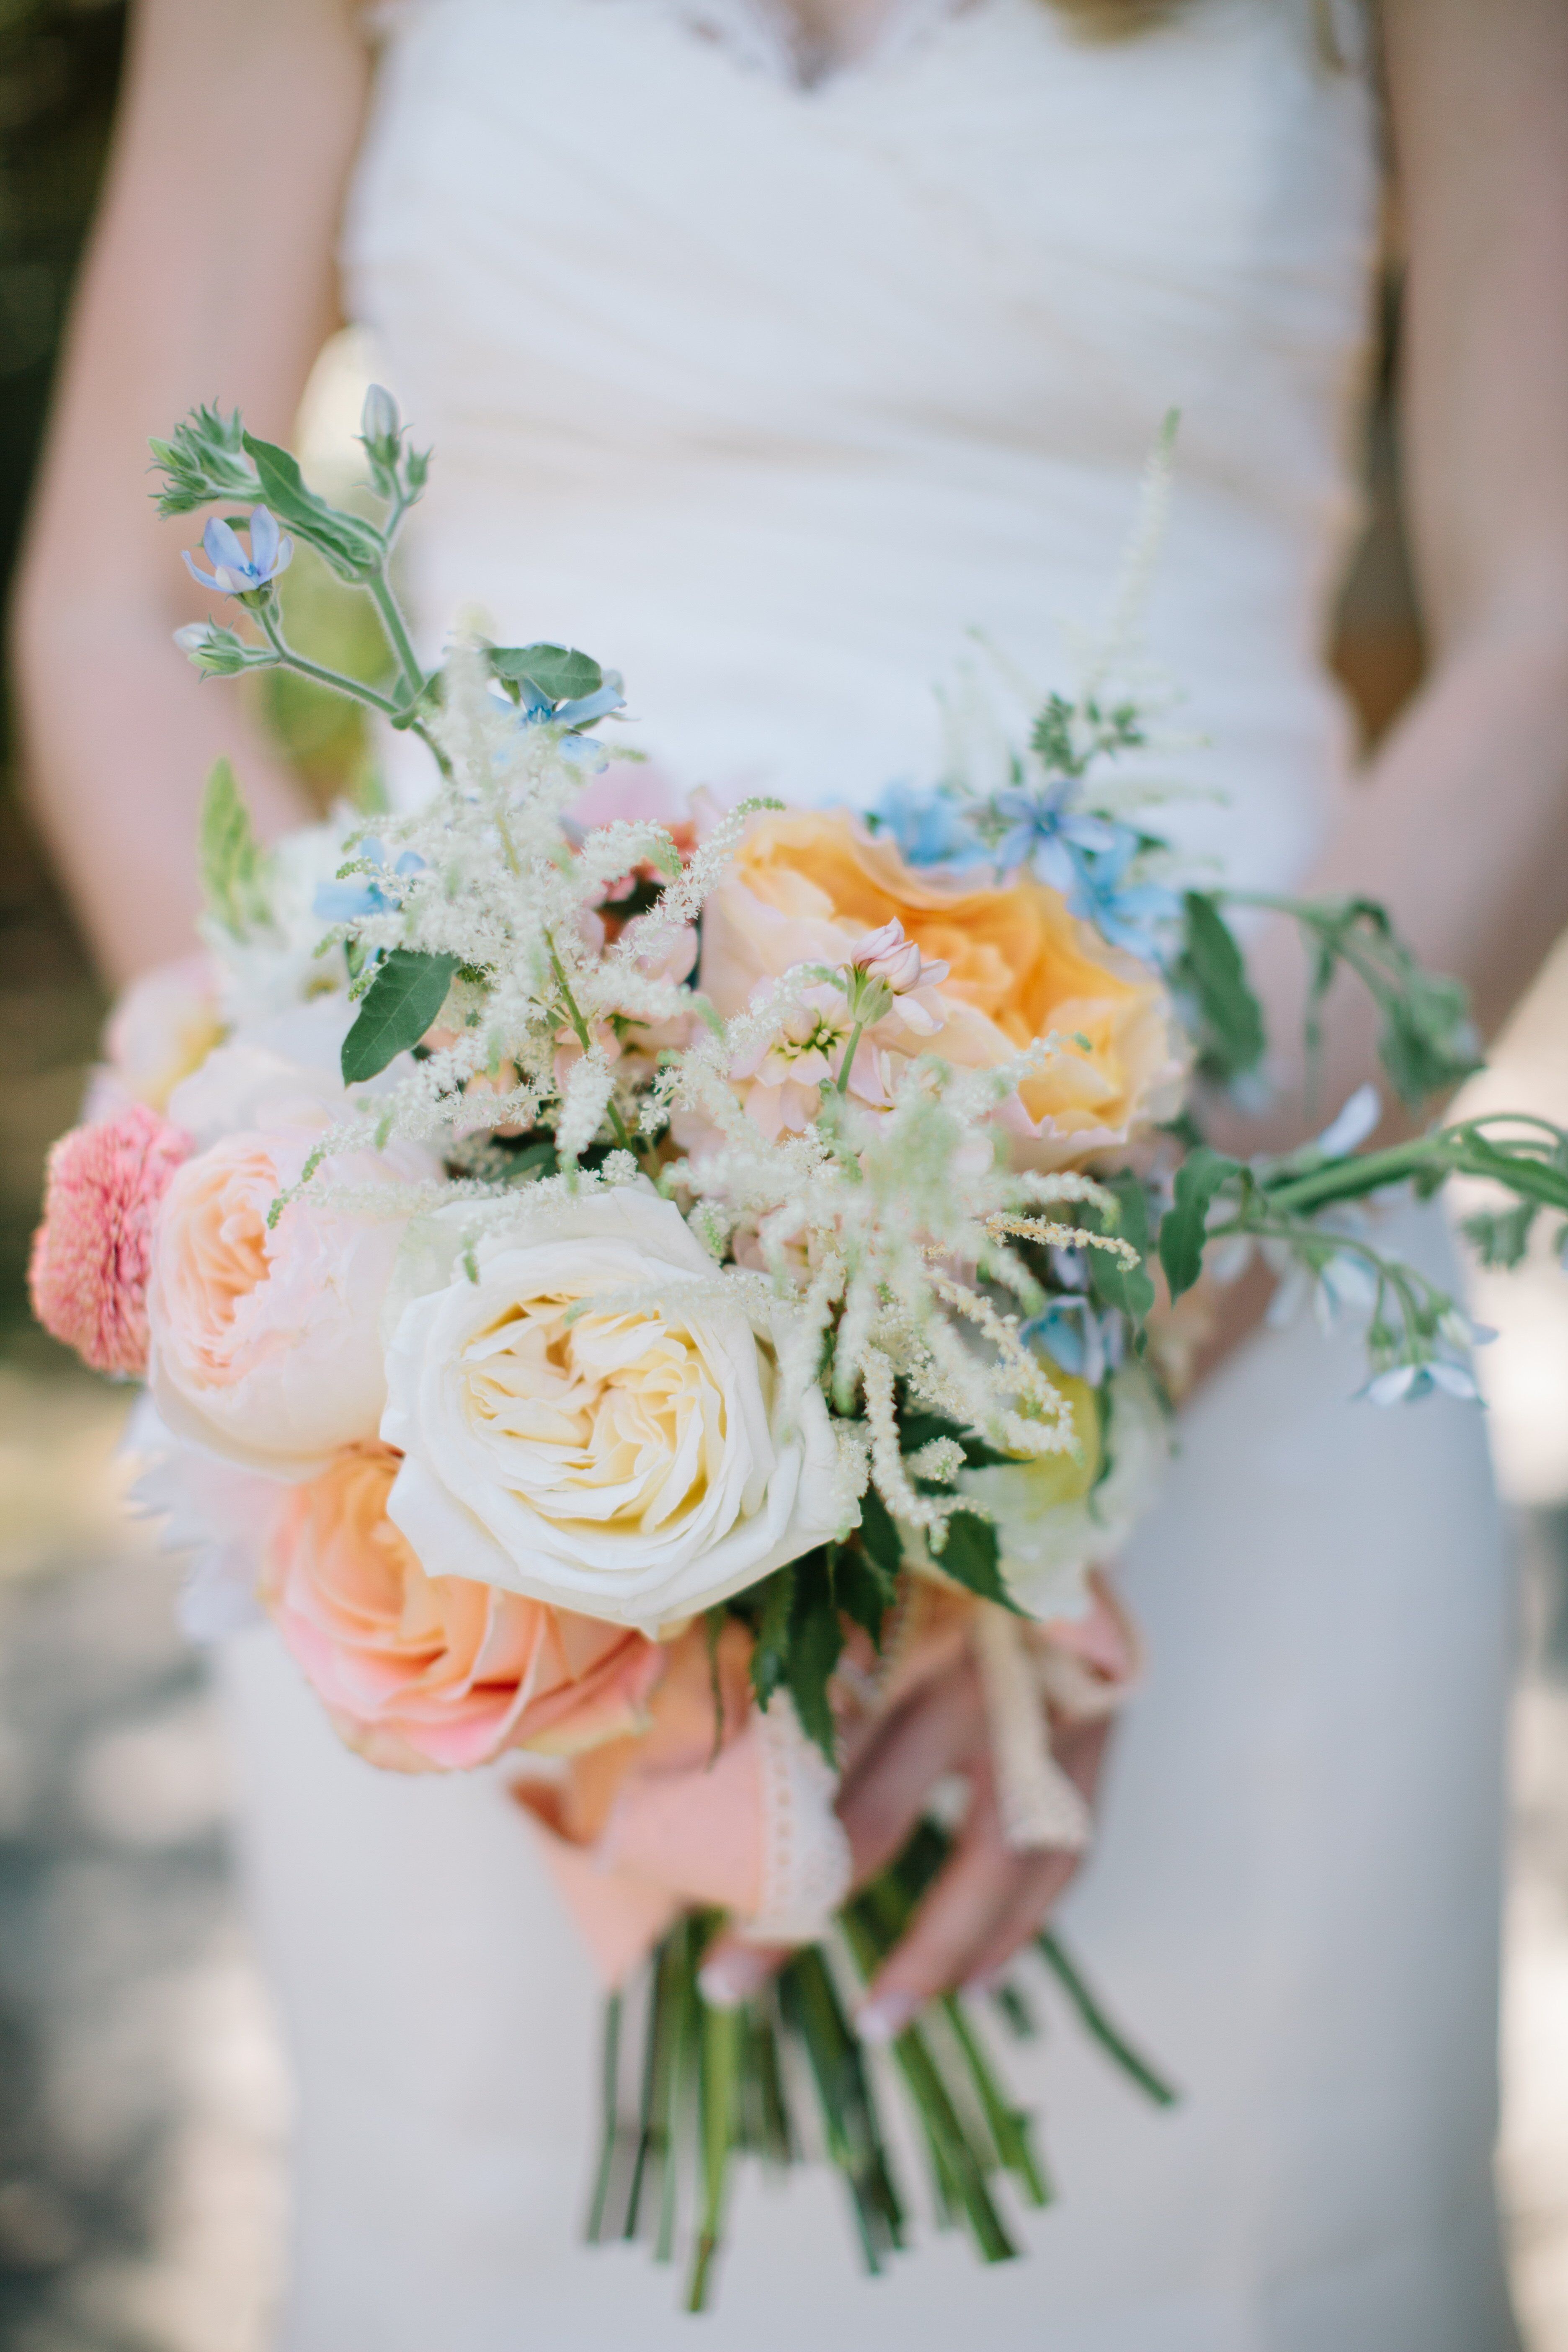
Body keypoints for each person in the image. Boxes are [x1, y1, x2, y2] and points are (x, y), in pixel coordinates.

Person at [12, 0, 1568, 2344]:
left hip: (1244, 1271)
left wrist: (1069, 1355)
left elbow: (1550, 621)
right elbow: (117, 606)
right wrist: (359, 1210)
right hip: (469, 1399)